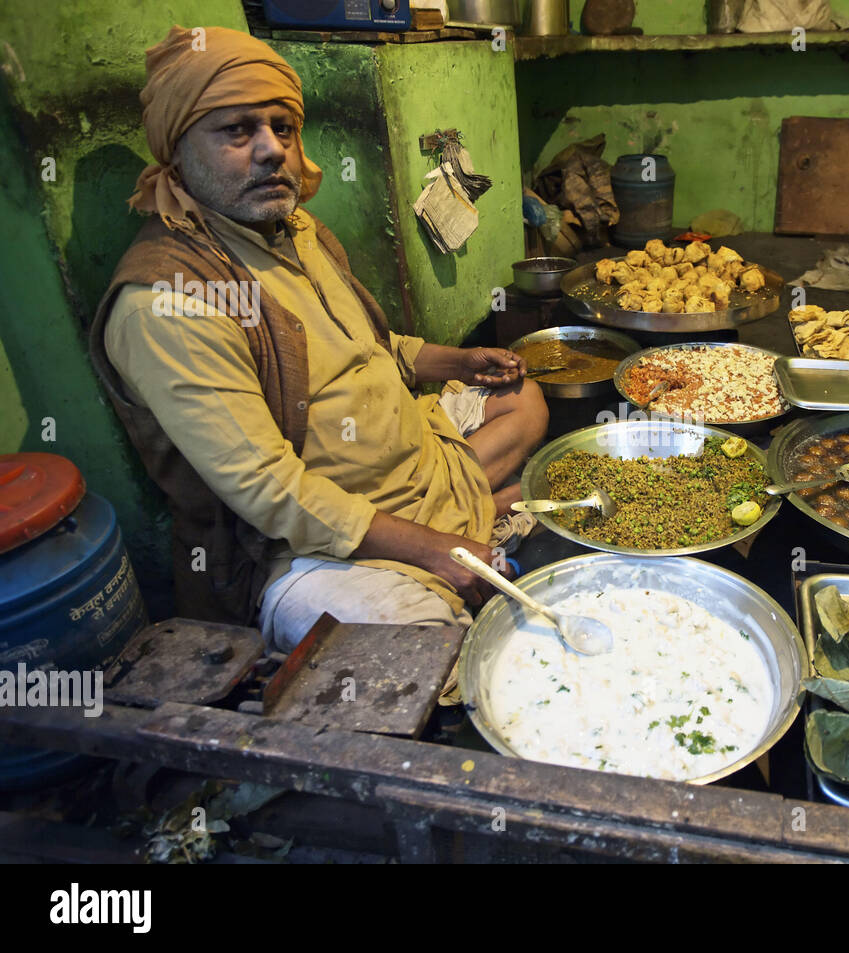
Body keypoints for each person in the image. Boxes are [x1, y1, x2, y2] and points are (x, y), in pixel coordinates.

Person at [88, 25, 548, 655]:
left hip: (412, 456)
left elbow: (374, 348)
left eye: (283, 127)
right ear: (179, 149)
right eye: (237, 130)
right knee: (414, 647)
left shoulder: (294, 229)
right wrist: (434, 552)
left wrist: (459, 360)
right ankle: (458, 529)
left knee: (523, 400)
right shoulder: (169, 303)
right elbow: (270, 493)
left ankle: (465, 511)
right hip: (309, 547)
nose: (272, 150)